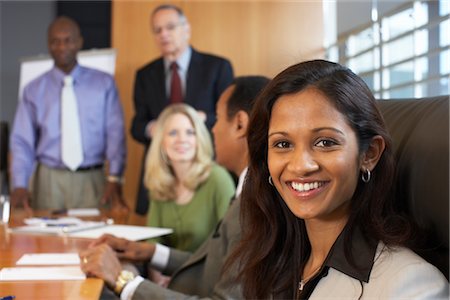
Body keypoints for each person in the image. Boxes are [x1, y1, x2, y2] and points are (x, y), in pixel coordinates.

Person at [225, 60, 449, 299]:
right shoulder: (275, 264)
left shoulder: (410, 286)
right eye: (283, 144)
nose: (301, 165)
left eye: (325, 142)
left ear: (369, 154)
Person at [79, 76, 270, 299]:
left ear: (240, 124)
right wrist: (146, 252)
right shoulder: (247, 192)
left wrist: (124, 281)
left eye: (216, 119)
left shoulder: (253, 204)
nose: (213, 129)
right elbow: (213, 263)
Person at [9, 16, 127, 212]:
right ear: (48, 45)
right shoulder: (33, 90)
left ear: (79, 42)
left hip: (92, 178)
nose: (62, 47)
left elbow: (115, 133)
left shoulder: (103, 84)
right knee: (46, 238)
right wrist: (19, 184)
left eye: (68, 40)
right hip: (49, 180)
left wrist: (115, 176)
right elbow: (22, 141)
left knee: (94, 239)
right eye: (55, 41)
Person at [131, 4, 234, 216]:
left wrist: (203, 119)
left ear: (186, 29)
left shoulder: (217, 67)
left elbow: (231, 121)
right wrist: (157, 128)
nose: (164, 34)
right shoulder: (145, 74)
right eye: (157, 30)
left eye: (170, 27)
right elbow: (136, 126)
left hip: (204, 168)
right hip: (162, 171)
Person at [144, 103, 235, 252]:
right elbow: (153, 241)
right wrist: (156, 273)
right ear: (161, 142)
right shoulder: (159, 183)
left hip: (209, 272)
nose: (182, 139)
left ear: (199, 138)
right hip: (168, 272)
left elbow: (229, 243)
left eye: (190, 132)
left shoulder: (218, 179)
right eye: (173, 133)